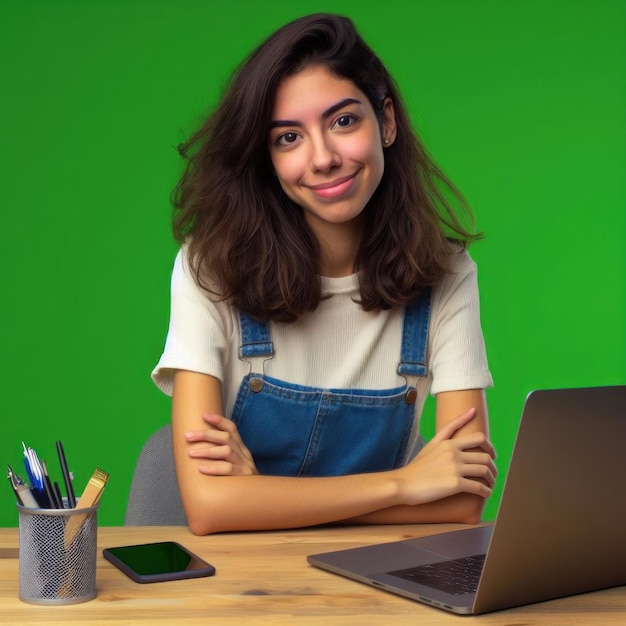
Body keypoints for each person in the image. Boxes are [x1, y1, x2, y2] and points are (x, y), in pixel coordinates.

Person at [152, 13, 496, 536]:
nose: (323, 159)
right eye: (288, 138)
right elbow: (210, 507)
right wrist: (402, 484)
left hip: (382, 581)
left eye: (342, 122)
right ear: (266, 158)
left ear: (385, 121)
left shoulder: (446, 275)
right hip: (244, 591)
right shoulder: (210, 269)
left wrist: (260, 496)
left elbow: (462, 503)